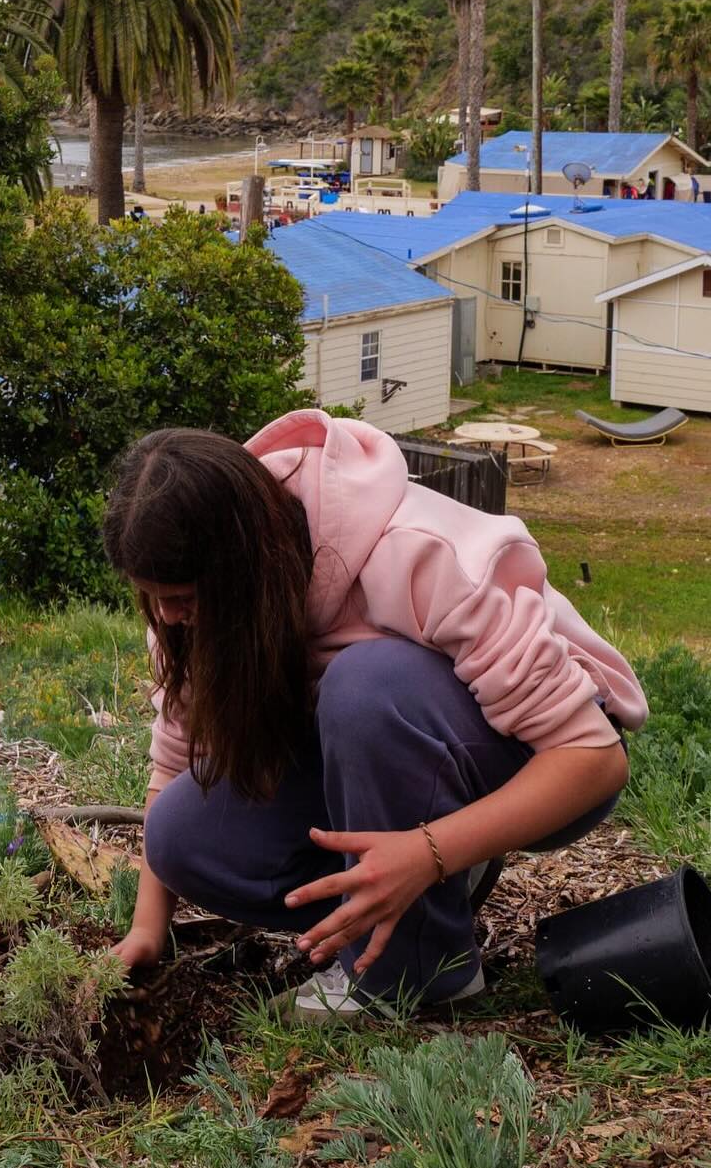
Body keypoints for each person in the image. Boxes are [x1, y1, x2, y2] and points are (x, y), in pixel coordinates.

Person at [103, 413, 646, 1021]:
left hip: (537, 754)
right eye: (153, 597)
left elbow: (593, 760)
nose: (167, 616)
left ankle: (414, 974)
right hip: (387, 756)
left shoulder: (412, 553)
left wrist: (427, 852)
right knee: (178, 835)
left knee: (364, 684)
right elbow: (175, 766)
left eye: (182, 597)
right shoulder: (192, 618)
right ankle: (432, 890)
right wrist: (147, 929)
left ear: (245, 570)